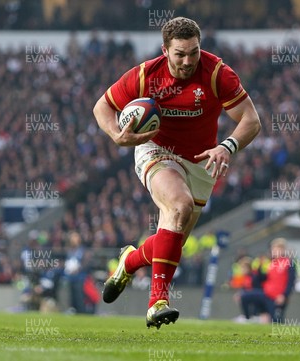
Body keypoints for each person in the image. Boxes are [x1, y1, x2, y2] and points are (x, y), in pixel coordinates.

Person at [94, 17, 261, 328]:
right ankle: (158, 302)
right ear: (165, 51)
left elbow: (251, 120)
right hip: (157, 151)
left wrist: (227, 147)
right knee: (179, 206)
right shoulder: (145, 75)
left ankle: (129, 261)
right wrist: (116, 134)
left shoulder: (216, 73)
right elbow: (102, 107)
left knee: (173, 239)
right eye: (180, 54)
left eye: (193, 52)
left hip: (201, 161)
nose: (187, 61)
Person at [238, 238, 295, 324]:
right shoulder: (271, 263)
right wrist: (260, 269)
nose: (273, 251)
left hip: (277, 297)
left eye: (276, 249)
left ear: (282, 250)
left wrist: (284, 295)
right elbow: (263, 279)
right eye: (273, 249)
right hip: (266, 294)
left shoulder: (288, 263)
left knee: (276, 321)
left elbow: (291, 281)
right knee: (244, 296)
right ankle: (248, 318)